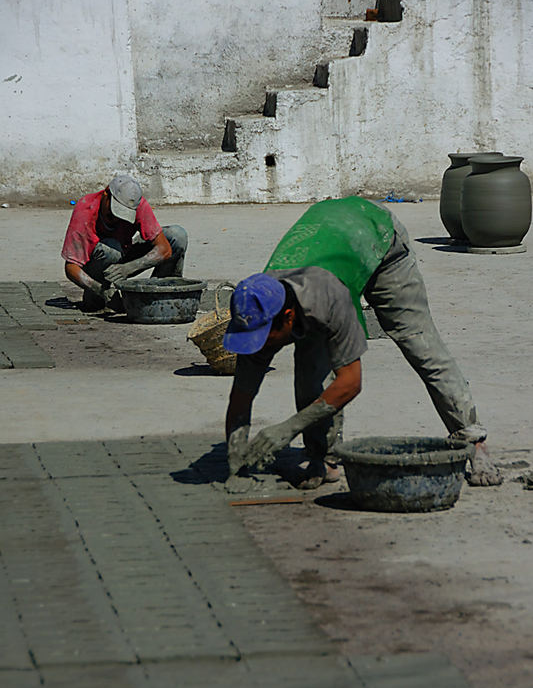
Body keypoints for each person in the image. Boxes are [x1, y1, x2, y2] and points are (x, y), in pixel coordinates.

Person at [223, 196, 502, 489]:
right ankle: (324, 459)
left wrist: (287, 429)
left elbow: (350, 382)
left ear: (289, 317)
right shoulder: (256, 306)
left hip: (375, 234)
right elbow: (242, 393)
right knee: (309, 371)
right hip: (329, 236)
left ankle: (475, 442)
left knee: (420, 344)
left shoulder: (327, 299)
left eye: (264, 338)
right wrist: (235, 458)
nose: (258, 346)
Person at [61, 175, 188, 312]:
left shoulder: (136, 203)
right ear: (106, 194)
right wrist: (98, 289)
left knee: (177, 236)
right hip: (99, 266)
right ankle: (100, 299)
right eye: (113, 213)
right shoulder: (86, 209)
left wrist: (129, 268)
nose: (116, 219)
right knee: (111, 249)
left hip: (124, 255)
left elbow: (165, 249)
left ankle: (160, 295)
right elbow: (71, 267)